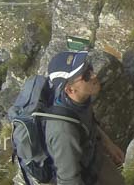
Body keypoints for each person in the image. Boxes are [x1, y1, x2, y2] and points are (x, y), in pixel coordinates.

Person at [44, 51, 125, 185]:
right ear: (70, 90)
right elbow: (68, 179)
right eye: (86, 76)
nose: (94, 75)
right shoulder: (63, 131)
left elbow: (89, 122)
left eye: (90, 68)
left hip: (94, 159)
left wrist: (109, 144)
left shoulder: (80, 100)